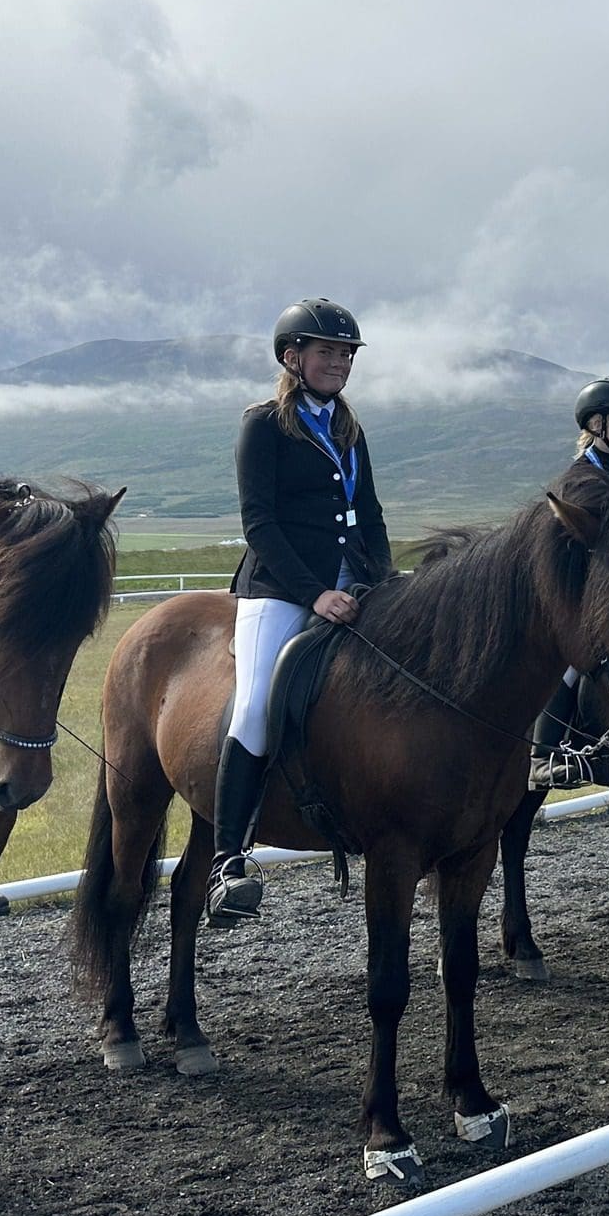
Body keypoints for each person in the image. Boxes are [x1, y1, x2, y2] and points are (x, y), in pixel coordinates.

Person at [209, 299, 393, 926]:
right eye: (326, 352)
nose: (338, 362)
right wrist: (315, 593)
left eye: (346, 354)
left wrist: (385, 579)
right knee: (258, 703)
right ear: (293, 358)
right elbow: (259, 523)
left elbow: (369, 512)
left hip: (355, 583)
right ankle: (227, 858)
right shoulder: (264, 425)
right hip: (280, 590)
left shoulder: (348, 426)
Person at [526, 377, 609, 790]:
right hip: (582, 593)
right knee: (571, 662)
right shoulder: (578, 479)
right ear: (596, 425)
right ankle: (543, 755)